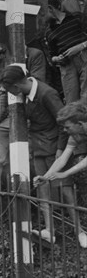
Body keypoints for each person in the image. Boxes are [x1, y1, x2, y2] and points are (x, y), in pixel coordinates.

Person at [0, 65, 67, 241]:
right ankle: (49, 230)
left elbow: (64, 121)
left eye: (9, 90)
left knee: (65, 188)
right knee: (42, 190)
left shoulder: (46, 93)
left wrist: (61, 149)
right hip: (39, 148)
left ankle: (80, 231)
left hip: (54, 147)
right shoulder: (26, 96)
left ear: (15, 87)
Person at [34, 100, 87, 248]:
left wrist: (65, 174)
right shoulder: (74, 135)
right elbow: (62, 159)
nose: (64, 130)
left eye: (67, 127)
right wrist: (46, 176)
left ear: (80, 124)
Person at [45, 0, 87, 103]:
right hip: (66, 65)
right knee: (71, 101)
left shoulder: (76, 18)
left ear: (50, 8)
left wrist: (80, 46)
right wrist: (56, 59)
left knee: (86, 98)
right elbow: (51, 56)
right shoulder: (49, 32)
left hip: (84, 57)